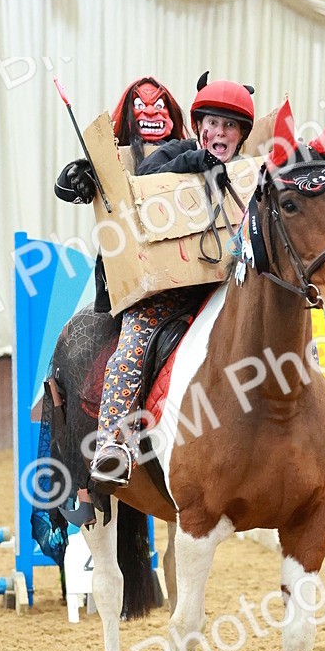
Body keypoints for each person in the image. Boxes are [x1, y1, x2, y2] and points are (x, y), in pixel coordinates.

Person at [90, 72, 256, 488]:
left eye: (230, 126)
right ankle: (114, 441)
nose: (220, 132)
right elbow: (144, 176)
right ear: (200, 128)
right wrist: (191, 164)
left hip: (225, 289)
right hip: (169, 291)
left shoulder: (248, 174)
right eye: (213, 124)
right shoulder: (174, 152)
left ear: (240, 135)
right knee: (133, 343)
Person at [54, 77, 186, 312]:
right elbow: (64, 189)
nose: (149, 112)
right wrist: (79, 175)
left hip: (186, 275)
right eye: (140, 105)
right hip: (128, 281)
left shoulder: (187, 152)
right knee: (128, 349)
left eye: (158, 106)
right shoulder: (113, 161)